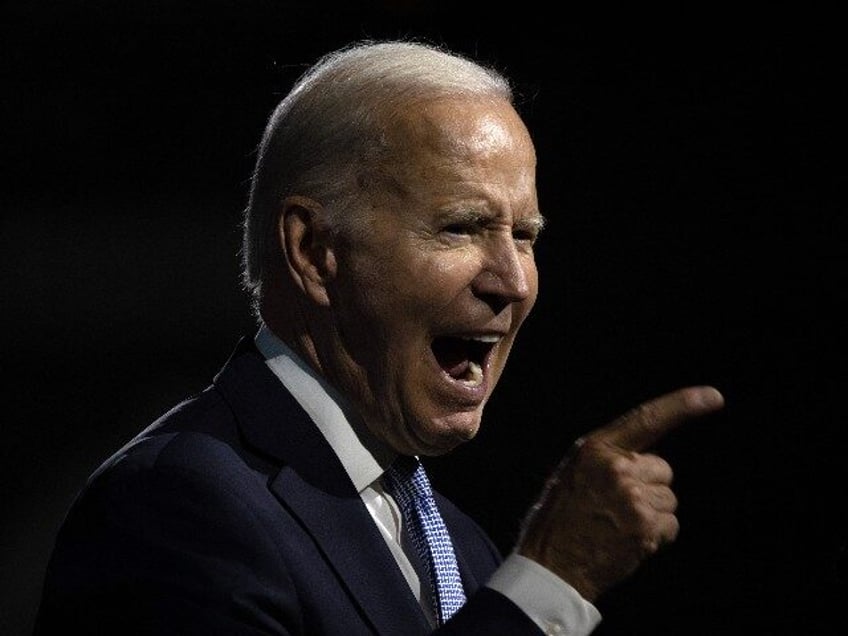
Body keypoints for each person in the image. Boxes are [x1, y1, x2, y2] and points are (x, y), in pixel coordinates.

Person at [34, 39, 725, 635]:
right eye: (461, 227)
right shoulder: (174, 506)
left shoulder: (462, 548)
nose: (513, 282)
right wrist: (551, 583)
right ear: (313, 251)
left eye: (525, 236)